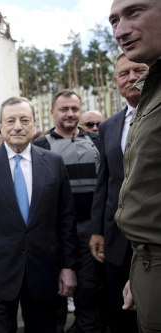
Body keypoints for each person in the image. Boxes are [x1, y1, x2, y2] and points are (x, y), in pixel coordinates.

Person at [0, 97, 78, 332]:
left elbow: (66, 219)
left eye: (24, 120)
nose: (17, 126)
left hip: (45, 272)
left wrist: (68, 267)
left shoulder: (54, 163)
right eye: (10, 120)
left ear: (34, 124)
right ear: (1, 126)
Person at [33, 90, 103, 333]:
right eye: (64, 109)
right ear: (52, 112)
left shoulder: (96, 142)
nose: (70, 113)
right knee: (54, 298)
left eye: (75, 108)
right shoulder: (38, 147)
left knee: (89, 294)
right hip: (53, 236)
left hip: (90, 233)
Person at [109, 1, 161, 331]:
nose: (120, 31)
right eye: (114, 20)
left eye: (134, 12)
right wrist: (141, 274)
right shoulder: (151, 93)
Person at [88, 52, 147, 333]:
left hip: (154, 237)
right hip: (116, 239)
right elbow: (106, 181)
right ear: (116, 82)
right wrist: (98, 231)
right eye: (124, 73)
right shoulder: (109, 126)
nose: (132, 77)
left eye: (139, 70)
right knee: (119, 313)